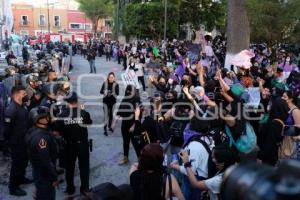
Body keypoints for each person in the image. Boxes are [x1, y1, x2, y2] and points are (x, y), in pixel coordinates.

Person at [55, 92, 92, 195]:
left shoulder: (62, 115)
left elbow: (58, 132)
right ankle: (84, 188)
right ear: (77, 100)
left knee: (70, 168)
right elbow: (89, 124)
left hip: (69, 145)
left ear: (67, 102)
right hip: (82, 145)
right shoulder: (84, 113)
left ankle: (70, 188)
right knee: (84, 167)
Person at [4, 86, 32, 196]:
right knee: (17, 164)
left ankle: (21, 178)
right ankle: (13, 187)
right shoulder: (11, 109)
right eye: (24, 93)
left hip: (24, 140)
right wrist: (9, 142)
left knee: (24, 161)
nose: (26, 95)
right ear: (17, 95)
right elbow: (7, 129)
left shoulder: (22, 106)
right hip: (16, 142)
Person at [26, 106, 59, 200]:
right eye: (48, 115)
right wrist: (54, 177)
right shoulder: (41, 138)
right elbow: (46, 161)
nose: (50, 117)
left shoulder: (34, 131)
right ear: (41, 119)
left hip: (39, 172)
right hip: (45, 175)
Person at [115, 85, 141, 165]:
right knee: (125, 142)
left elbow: (139, 114)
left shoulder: (137, 99)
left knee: (136, 143)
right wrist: (114, 121)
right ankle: (125, 158)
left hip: (133, 124)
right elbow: (119, 111)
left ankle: (141, 161)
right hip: (125, 124)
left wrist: (134, 126)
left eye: (131, 90)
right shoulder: (124, 99)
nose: (129, 92)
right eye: (128, 90)